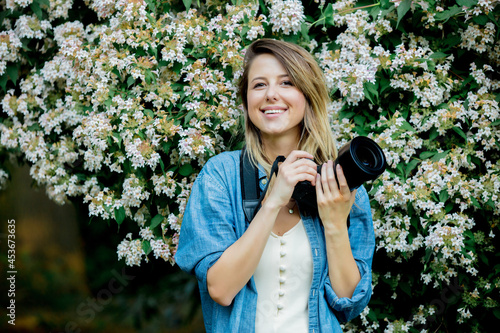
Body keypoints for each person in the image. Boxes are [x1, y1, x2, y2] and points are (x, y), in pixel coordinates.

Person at [175, 39, 375, 332]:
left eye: (286, 83)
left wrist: (334, 223)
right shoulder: (221, 176)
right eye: (259, 85)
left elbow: (348, 302)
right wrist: (272, 202)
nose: (271, 95)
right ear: (245, 102)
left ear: (307, 95)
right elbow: (220, 289)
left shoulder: (340, 187)